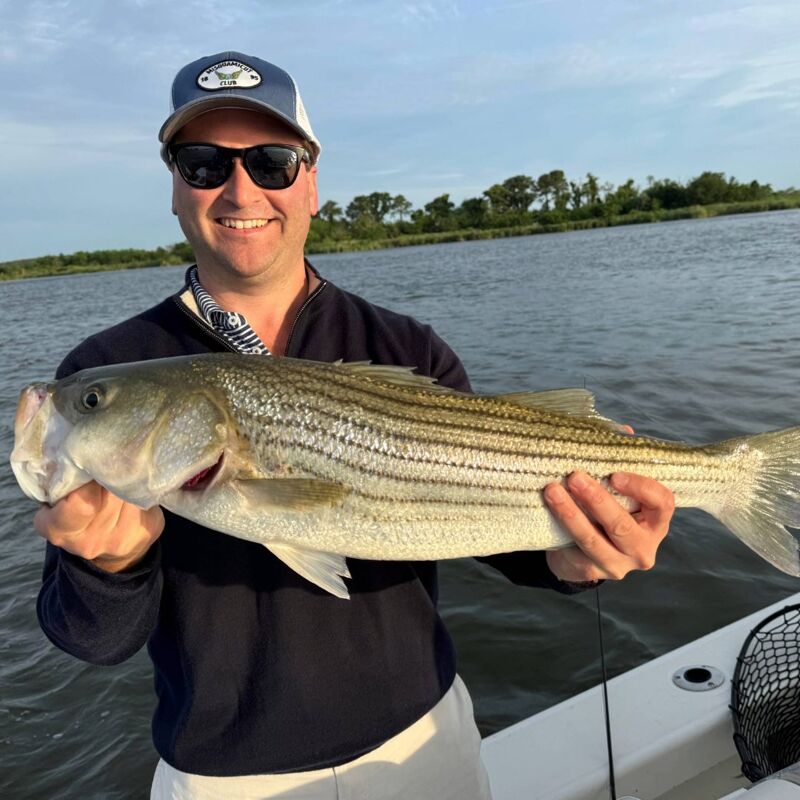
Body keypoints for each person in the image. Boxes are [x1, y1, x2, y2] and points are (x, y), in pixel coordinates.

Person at [33, 51, 675, 800]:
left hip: (424, 738)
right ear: (175, 185)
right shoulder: (109, 370)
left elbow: (499, 530)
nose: (241, 188)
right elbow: (92, 639)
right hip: (222, 774)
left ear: (310, 182)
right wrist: (105, 568)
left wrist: (579, 557)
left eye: (272, 162)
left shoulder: (406, 347)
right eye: (205, 162)